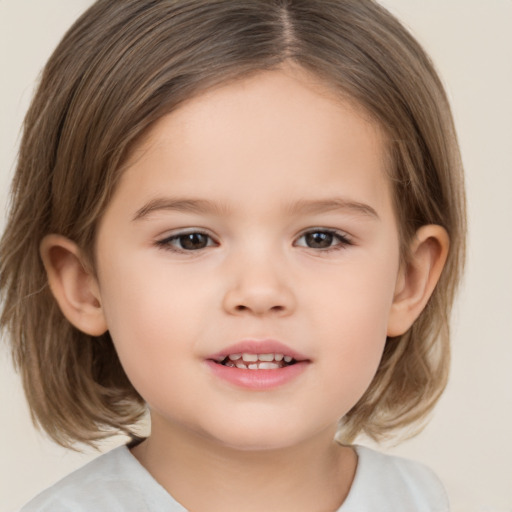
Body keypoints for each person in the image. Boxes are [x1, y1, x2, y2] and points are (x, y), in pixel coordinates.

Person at [0, 0, 466, 510]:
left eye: (321, 238)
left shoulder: (423, 499)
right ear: (84, 283)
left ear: (409, 278)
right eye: (190, 239)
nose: (260, 291)